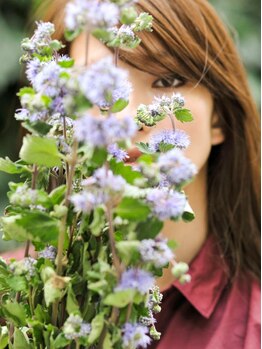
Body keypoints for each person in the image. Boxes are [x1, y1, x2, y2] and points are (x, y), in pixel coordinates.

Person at [3, 0, 261, 347]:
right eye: (98, 86)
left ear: (219, 117)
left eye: (167, 80)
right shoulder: (12, 300)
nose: (134, 117)